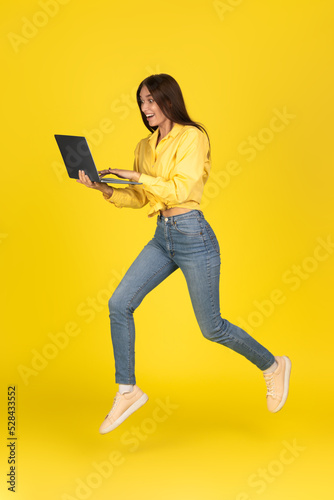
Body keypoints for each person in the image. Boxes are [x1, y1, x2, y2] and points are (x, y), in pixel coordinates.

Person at [77, 74, 291, 435]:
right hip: (163, 237)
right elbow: (144, 199)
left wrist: (137, 177)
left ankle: (273, 366)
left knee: (212, 327)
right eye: (141, 102)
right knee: (119, 303)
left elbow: (180, 189)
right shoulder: (145, 146)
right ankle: (127, 389)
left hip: (193, 235)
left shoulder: (193, 137)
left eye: (151, 101)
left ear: (168, 100)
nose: (145, 109)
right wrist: (104, 188)